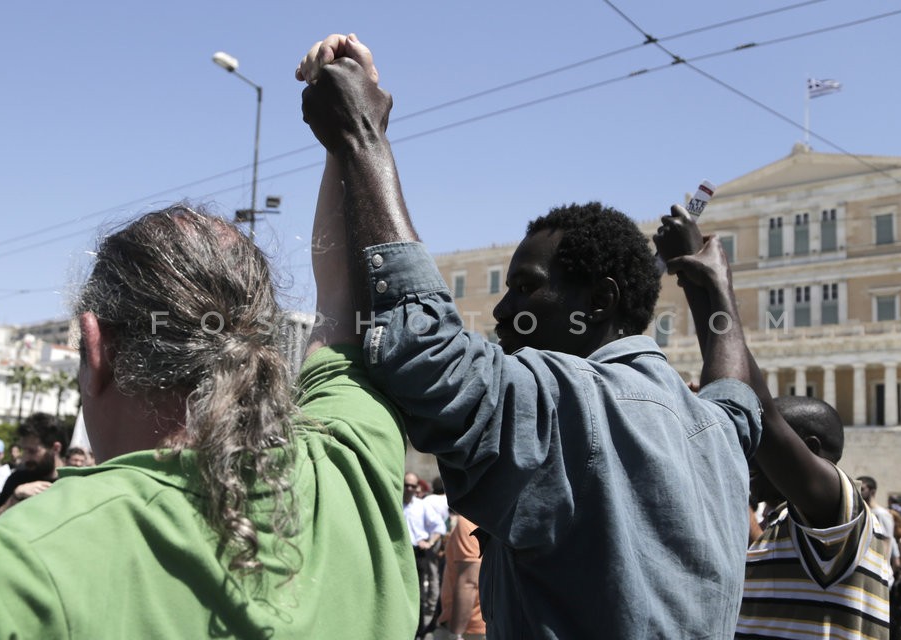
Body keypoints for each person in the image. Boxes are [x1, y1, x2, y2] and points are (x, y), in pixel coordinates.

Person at [297, 33, 762, 639]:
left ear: (598, 302)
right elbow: (739, 392)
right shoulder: (717, 433)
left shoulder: (570, 404)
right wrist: (712, 289)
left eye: (525, 286)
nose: (502, 305)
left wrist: (364, 136)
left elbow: (424, 344)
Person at [0, 200, 418, 637]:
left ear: (99, 349)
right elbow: (345, 311)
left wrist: (348, 142)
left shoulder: (27, 564)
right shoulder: (351, 473)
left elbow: (339, 308)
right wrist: (358, 141)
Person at [653, 211, 892, 639]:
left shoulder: (840, 513)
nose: (750, 456)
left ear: (812, 451)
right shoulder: (780, 533)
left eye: (761, 448)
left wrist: (713, 283)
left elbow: (753, 400)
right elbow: (735, 396)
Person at [0, 412, 67, 516]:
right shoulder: (17, 479)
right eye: (24, 450)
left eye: (32, 451)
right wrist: (15, 497)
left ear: (55, 448)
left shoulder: (72, 482)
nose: (25, 458)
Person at [404, 471, 447, 637]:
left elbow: (439, 526)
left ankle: (419, 630)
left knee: (419, 593)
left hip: (417, 552)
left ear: (417, 488)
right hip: (399, 552)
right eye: (406, 485)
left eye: (412, 486)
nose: (409, 488)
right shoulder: (396, 504)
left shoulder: (421, 505)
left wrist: (429, 542)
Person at [435, 515, 486, 640]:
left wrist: (456, 633)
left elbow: (469, 583)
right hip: (486, 622)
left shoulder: (469, 521)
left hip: (469, 628)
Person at [859, 475, 896, 570]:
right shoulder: (861, 512)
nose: (858, 491)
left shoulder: (882, 514)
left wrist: (882, 568)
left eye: (862, 489)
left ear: (872, 491)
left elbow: (886, 541)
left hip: (877, 569)